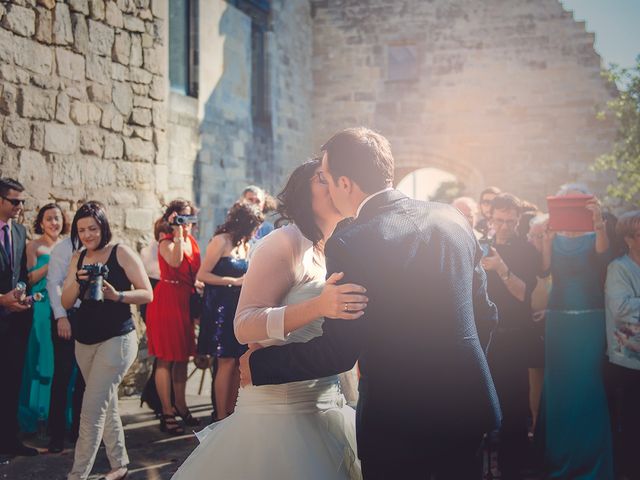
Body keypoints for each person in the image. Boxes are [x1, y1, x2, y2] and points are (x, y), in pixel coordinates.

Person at [239, 128, 500, 479]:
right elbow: (486, 314)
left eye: (328, 180)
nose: (329, 189)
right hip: (468, 404)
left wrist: (260, 365)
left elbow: (339, 352)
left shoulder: (352, 242)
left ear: (345, 184)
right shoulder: (452, 218)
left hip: (398, 420)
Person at [173, 158, 369, 479]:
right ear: (303, 195)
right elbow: (244, 325)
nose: (333, 183)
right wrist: (319, 306)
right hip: (281, 411)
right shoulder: (284, 242)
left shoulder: (333, 248)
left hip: (326, 401)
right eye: (322, 178)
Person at [62, 201, 153, 480]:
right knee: (105, 401)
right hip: (84, 341)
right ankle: (119, 465)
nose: (88, 234)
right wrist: (78, 281)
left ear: (103, 226)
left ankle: (77, 475)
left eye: (93, 228)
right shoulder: (78, 257)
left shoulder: (120, 252)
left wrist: (118, 296)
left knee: (91, 410)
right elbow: (66, 300)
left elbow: (147, 293)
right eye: (82, 229)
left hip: (117, 339)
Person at [539, 183, 613, 479]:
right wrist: (545, 241)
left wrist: (598, 223)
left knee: (588, 388)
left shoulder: (597, 235)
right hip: (558, 321)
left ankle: (592, 461)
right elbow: (544, 270)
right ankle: (559, 458)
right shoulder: (552, 237)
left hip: (590, 321)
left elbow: (603, 257)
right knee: (561, 391)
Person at [480, 193, 540, 479]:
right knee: (481, 407)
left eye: (510, 222)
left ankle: (513, 468)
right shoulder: (481, 247)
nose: (504, 226)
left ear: (517, 220)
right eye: (500, 221)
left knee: (514, 409)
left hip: (515, 340)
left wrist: (501, 268)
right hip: (485, 341)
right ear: (491, 219)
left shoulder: (527, 251)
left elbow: (524, 296)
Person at [196, 201, 263, 421]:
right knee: (225, 361)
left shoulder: (245, 244)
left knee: (237, 360)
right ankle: (220, 415)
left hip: (238, 308)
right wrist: (234, 281)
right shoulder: (220, 241)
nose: (256, 232)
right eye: (254, 227)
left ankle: (233, 412)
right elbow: (202, 275)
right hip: (220, 310)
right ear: (245, 224)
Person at [145, 199, 201, 435]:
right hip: (166, 301)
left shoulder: (193, 241)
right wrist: (177, 233)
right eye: (180, 217)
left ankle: (182, 405)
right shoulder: (165, 241)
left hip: (184, 300)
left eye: (188, 218)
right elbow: (176, 261)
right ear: (171, 218)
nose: (185, 223)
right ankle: (167, 411)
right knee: (166, 358)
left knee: (182, 358)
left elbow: (193, 269)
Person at [19, 204, 68, 434]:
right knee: (41, 358)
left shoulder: (68, 244)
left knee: (60, 361)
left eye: (57, 218)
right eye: (49, 219)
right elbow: (28, 278)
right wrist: (53, 263)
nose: (53, 223)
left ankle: (55, 414)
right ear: (41, 222)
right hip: (40, 306)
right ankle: (36, 413)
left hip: (63, 305)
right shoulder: (34, 246)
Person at [0, 178, 38, 458]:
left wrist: (22, 297)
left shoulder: (20, 231)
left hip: (14, 323)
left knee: (12, 381)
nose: (20, 207)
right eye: (15, 201)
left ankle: (9, 441)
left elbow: (20, 275)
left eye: (22, 202)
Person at [604, 210, 640, 480]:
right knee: (630, 429)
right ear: (628, 239)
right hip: (628, 361)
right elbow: (622, 309)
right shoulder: (619, 268)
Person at [46, 235, 86, 454]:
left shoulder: (102, 249)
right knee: (62, 376)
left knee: (84, 378)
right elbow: (53, 283)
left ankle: (79, 431)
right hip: (66, 315)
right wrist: (61, 316)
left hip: (89, 317)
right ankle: (56, 434)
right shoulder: (64, 248)